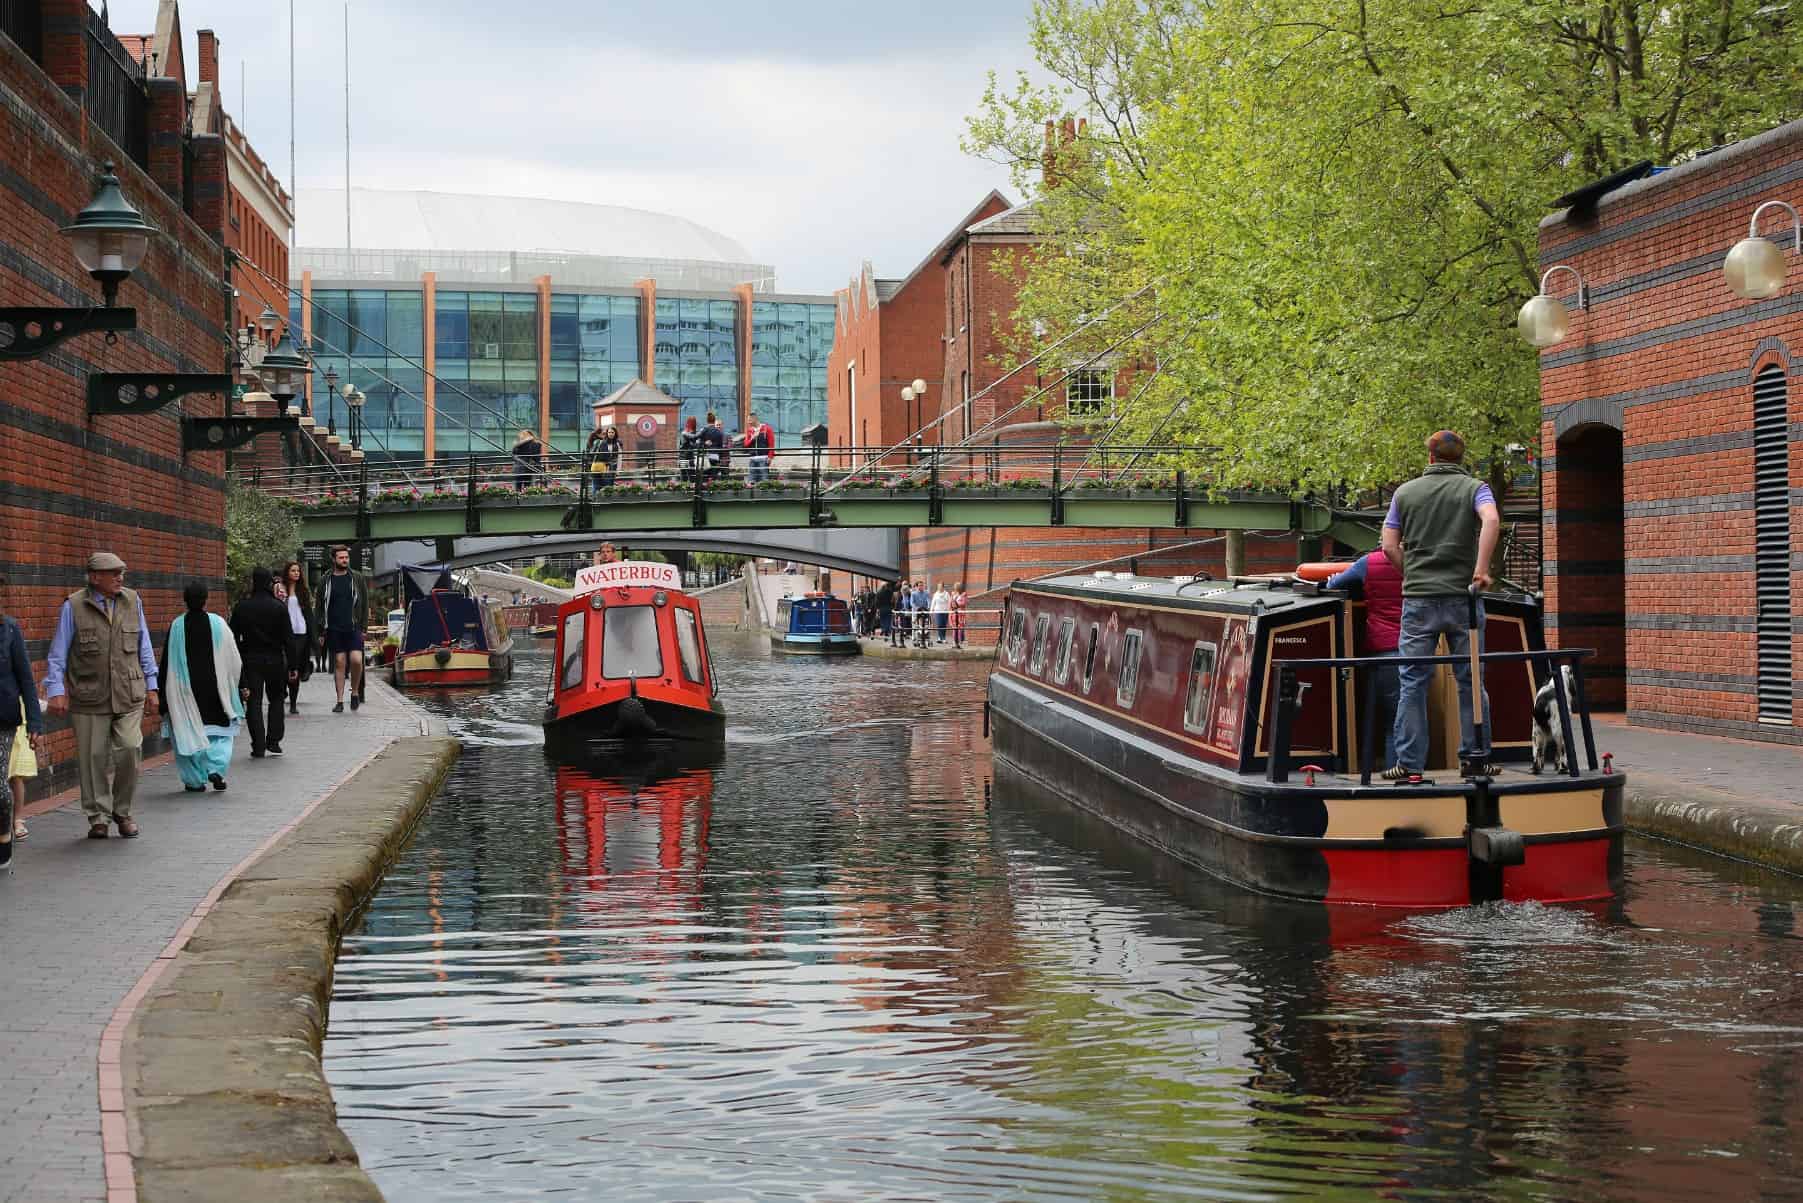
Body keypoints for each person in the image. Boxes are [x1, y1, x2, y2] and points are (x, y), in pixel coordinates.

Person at [1381, 429, 1502, 779]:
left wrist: (1414, 573)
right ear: (1461, 459)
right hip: (1464, 599)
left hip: (1419, 599)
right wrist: (1480, 570)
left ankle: (1409, 765)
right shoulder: (1475, 488)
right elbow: (1491, 519)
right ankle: (1474, 759)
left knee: (1412, 681)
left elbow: (1389, 546)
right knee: (1470, 681)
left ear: (1430, 458)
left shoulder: (1405, 493)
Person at [44, 551, 160, 839]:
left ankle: (122, 811)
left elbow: (144, 645)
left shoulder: (133, 600)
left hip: (128, 692)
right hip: (89, 694)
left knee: (130, 749)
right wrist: (56, 689)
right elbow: (58, 653)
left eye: (122, 572)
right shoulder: (73, 606)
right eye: (113, 573)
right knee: (92, 757)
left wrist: (153, 686)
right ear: (95, 577)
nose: (120, 577)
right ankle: (98, 817)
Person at [1325, 550, 1403, 770]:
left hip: (1385, 649)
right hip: (1420, 649)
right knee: (1412, 718)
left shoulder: (1369, 562)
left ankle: (1396, 776)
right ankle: (1413, 773)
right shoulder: (1424, 560)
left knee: (1391, 722)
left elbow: (1334, 585)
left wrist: (1331, 581)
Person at [162, 582, 243, 791]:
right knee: (220, 734)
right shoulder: (218, 623)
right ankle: (216, 767)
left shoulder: (177, 625)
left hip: (185, 691)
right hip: (215, 689)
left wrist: (163, 695)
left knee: (186, 732)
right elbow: (234, 658)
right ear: (206, 599)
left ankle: (194, 780)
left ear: (185, 600)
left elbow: (166, 663)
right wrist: (236, 684)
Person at [0, 578, 46, 867]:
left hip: (2, 718)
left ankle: (4, 831)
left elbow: (27, 680)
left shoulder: (10, 630)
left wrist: (35, 724)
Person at [232, 567, 299, 757]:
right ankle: (274, 740)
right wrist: (293, 665)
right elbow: (289, 639)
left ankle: (258, 744)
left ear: (253, 582)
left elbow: (233, 637)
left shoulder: (242, 607)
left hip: (250, 659)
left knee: (254, 701)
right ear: (270, 583)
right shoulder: (278, 607)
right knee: (276, 699)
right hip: (275, 659)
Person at [314, 545, 369, 714]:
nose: (345, 560)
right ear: (334, 559)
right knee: (339, 662)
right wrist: (320, 631)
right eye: (341, 558)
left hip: (353, 626)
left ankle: (355, 692)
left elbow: (365, 603)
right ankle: (339, 701)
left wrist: (364, 627)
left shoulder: (357, 578)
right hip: (334, 628)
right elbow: (319, 607)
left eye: (346, 557)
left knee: (356, 660)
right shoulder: (326, 580)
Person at [279, 561, 312, 715]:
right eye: (293, 570)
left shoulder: (303, 591)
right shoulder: (280, 589)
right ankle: (283, 689)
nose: (296, 573)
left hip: (301, 633)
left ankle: (293, 703)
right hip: (286, 633)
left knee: (295, 669)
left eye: (298, 571)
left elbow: (308, 614)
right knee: (285, 666)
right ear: (287, 572)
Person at [742, 412, 775, 484]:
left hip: (763, 458)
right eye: (748, 420)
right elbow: (745, 444)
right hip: (752, 458)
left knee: (764, 480)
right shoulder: (749, 430)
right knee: (751, 480)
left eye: (749, 420)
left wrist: (770, 457)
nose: (748, 422)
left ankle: (763, 493)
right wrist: (752, 438)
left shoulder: (767, 428)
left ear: (755, 419)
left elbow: (771, 444)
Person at [700, 410, 728, 481]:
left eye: (719, 425)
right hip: (716, 456)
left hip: (708, 455)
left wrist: (704, 443)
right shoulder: (719, 433)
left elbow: (698, 441)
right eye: (717, 424)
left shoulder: (704, 430)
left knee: (706, 475)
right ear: (714, 422)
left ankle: (707, 488)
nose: (718, 426)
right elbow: (721, 446)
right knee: (713, 475)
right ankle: (711, 488)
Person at [678, 416, 702, 483]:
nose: (696, 424)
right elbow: (693, 438)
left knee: (687, 477)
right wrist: (702, 432)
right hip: (685, 458)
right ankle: (688, 490)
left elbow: (694, 444)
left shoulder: (686, 432)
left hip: (684, 457)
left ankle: (686, 491)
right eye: (694, 423)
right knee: (689, 477)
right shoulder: (684, 433)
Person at [951, 583, 968, 648]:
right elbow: (951, 602)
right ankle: (955, 641)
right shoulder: (953, 594)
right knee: (954, 627)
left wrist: (957, 604)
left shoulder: (964, 594)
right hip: (954, 613)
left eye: (956, 587)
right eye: (955, 587)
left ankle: (960, 640)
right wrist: (953, 605)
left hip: (961, 613)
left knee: (960, 627)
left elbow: (964, 603)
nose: (955, 588)